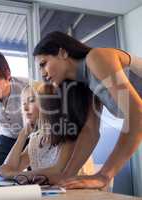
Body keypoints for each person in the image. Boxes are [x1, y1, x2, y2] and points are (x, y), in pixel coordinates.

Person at [32, 31, 142, 189]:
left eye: (43, 64)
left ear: (62, 52)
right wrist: (66, 177)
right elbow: (90, 132)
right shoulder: (85, 81)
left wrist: (103, 175)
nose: (42, 73)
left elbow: (137, 115)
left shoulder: (96, 57)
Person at [0, 82, 95, 184]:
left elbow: (58, 171)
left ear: (47, 103)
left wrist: (16, 175)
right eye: (23, 104)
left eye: (31, 101)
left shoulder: (67, 131)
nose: (26, 108)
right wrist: (22, 135)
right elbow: (7, 168)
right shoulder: (35, 139)